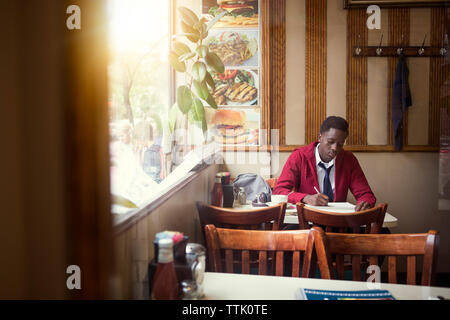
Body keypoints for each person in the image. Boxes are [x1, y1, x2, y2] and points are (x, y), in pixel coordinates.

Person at [273, 116, 375, 211]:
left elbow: (365, 194)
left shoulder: (349, 160)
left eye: (340, 144)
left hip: (338, 222)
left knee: (384, 230)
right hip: (306, 221)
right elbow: (279, 191)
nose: (335, 148)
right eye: (330, 142)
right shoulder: (299, 157)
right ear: (320, 137)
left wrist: (365, 202)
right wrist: (305, 198)